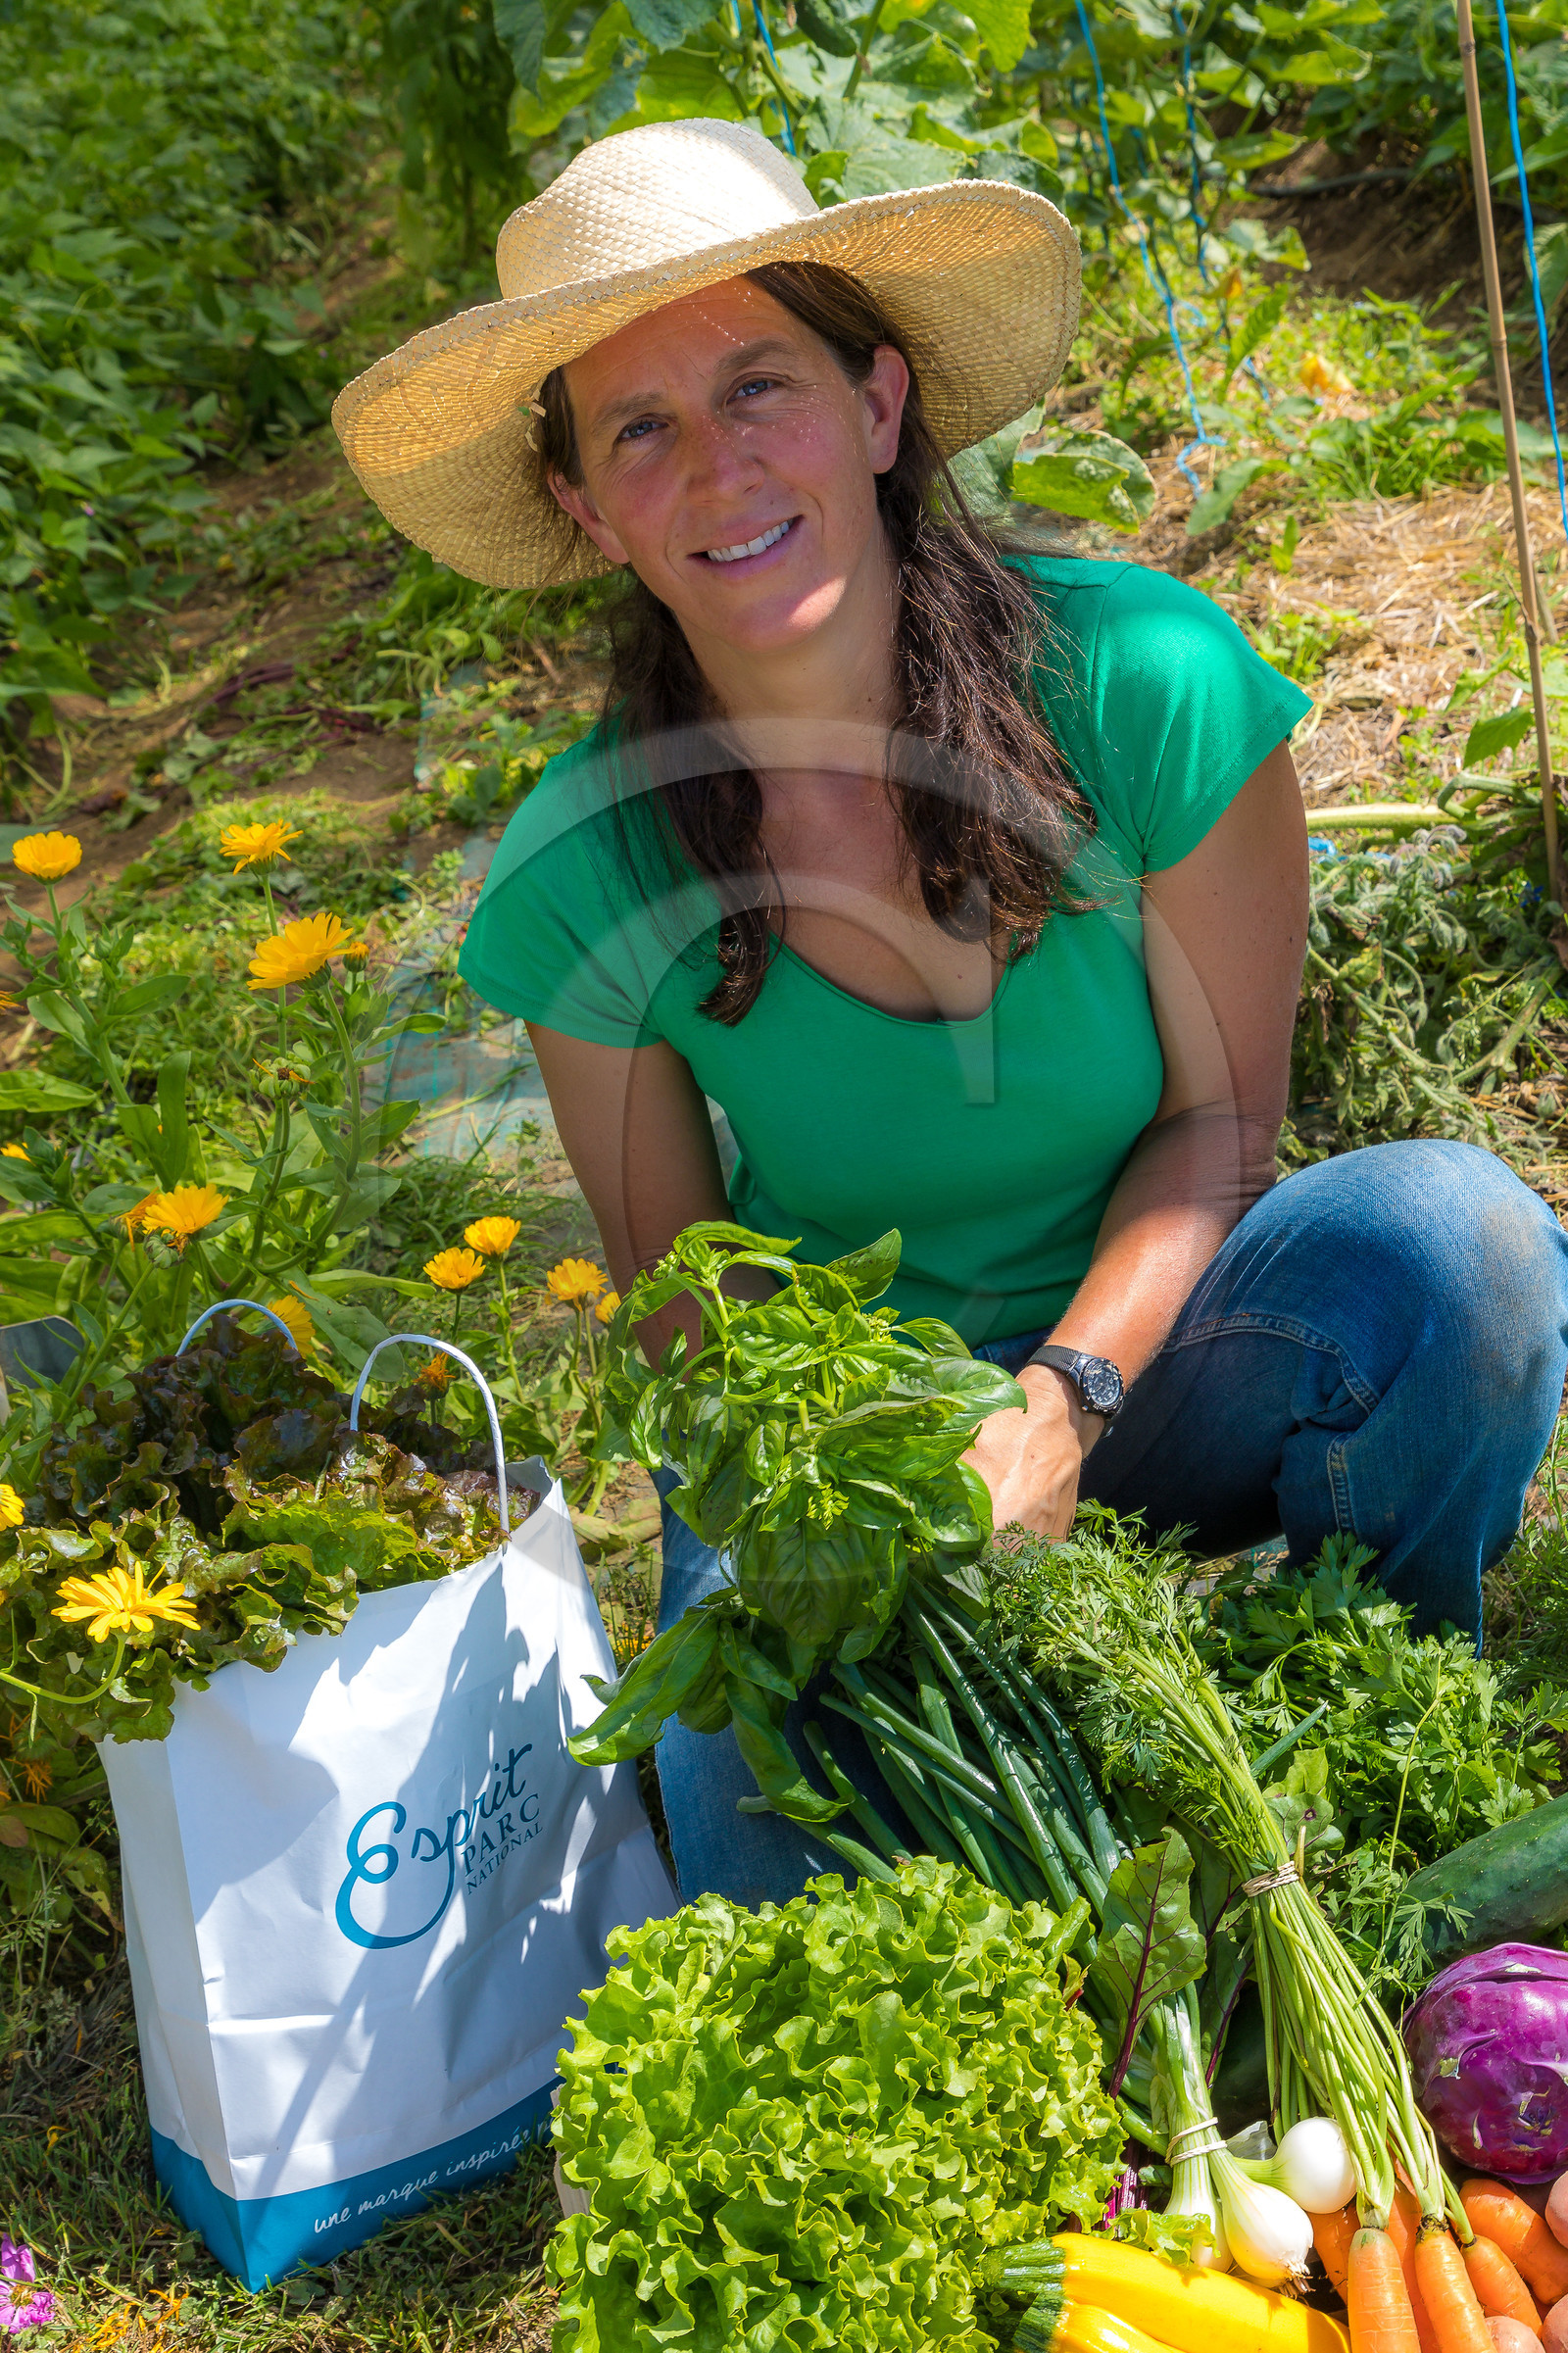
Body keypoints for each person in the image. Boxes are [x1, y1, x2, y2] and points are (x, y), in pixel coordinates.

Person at [335, 116, 1568, 1910]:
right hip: (854, 1449)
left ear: (879, 404)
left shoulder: (1144, 687)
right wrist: (882, 1497)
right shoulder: (586, 872)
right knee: (737, 1780)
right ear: (588, 508)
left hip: (1171, 1356)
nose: (718, 466)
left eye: (760, 385)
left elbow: (1222, 1124)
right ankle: (1029, 1837)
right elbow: (687, 1298)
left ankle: (1371, 1732)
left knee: (1460, 1245)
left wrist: (1060, 1404)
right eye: (640, 430)